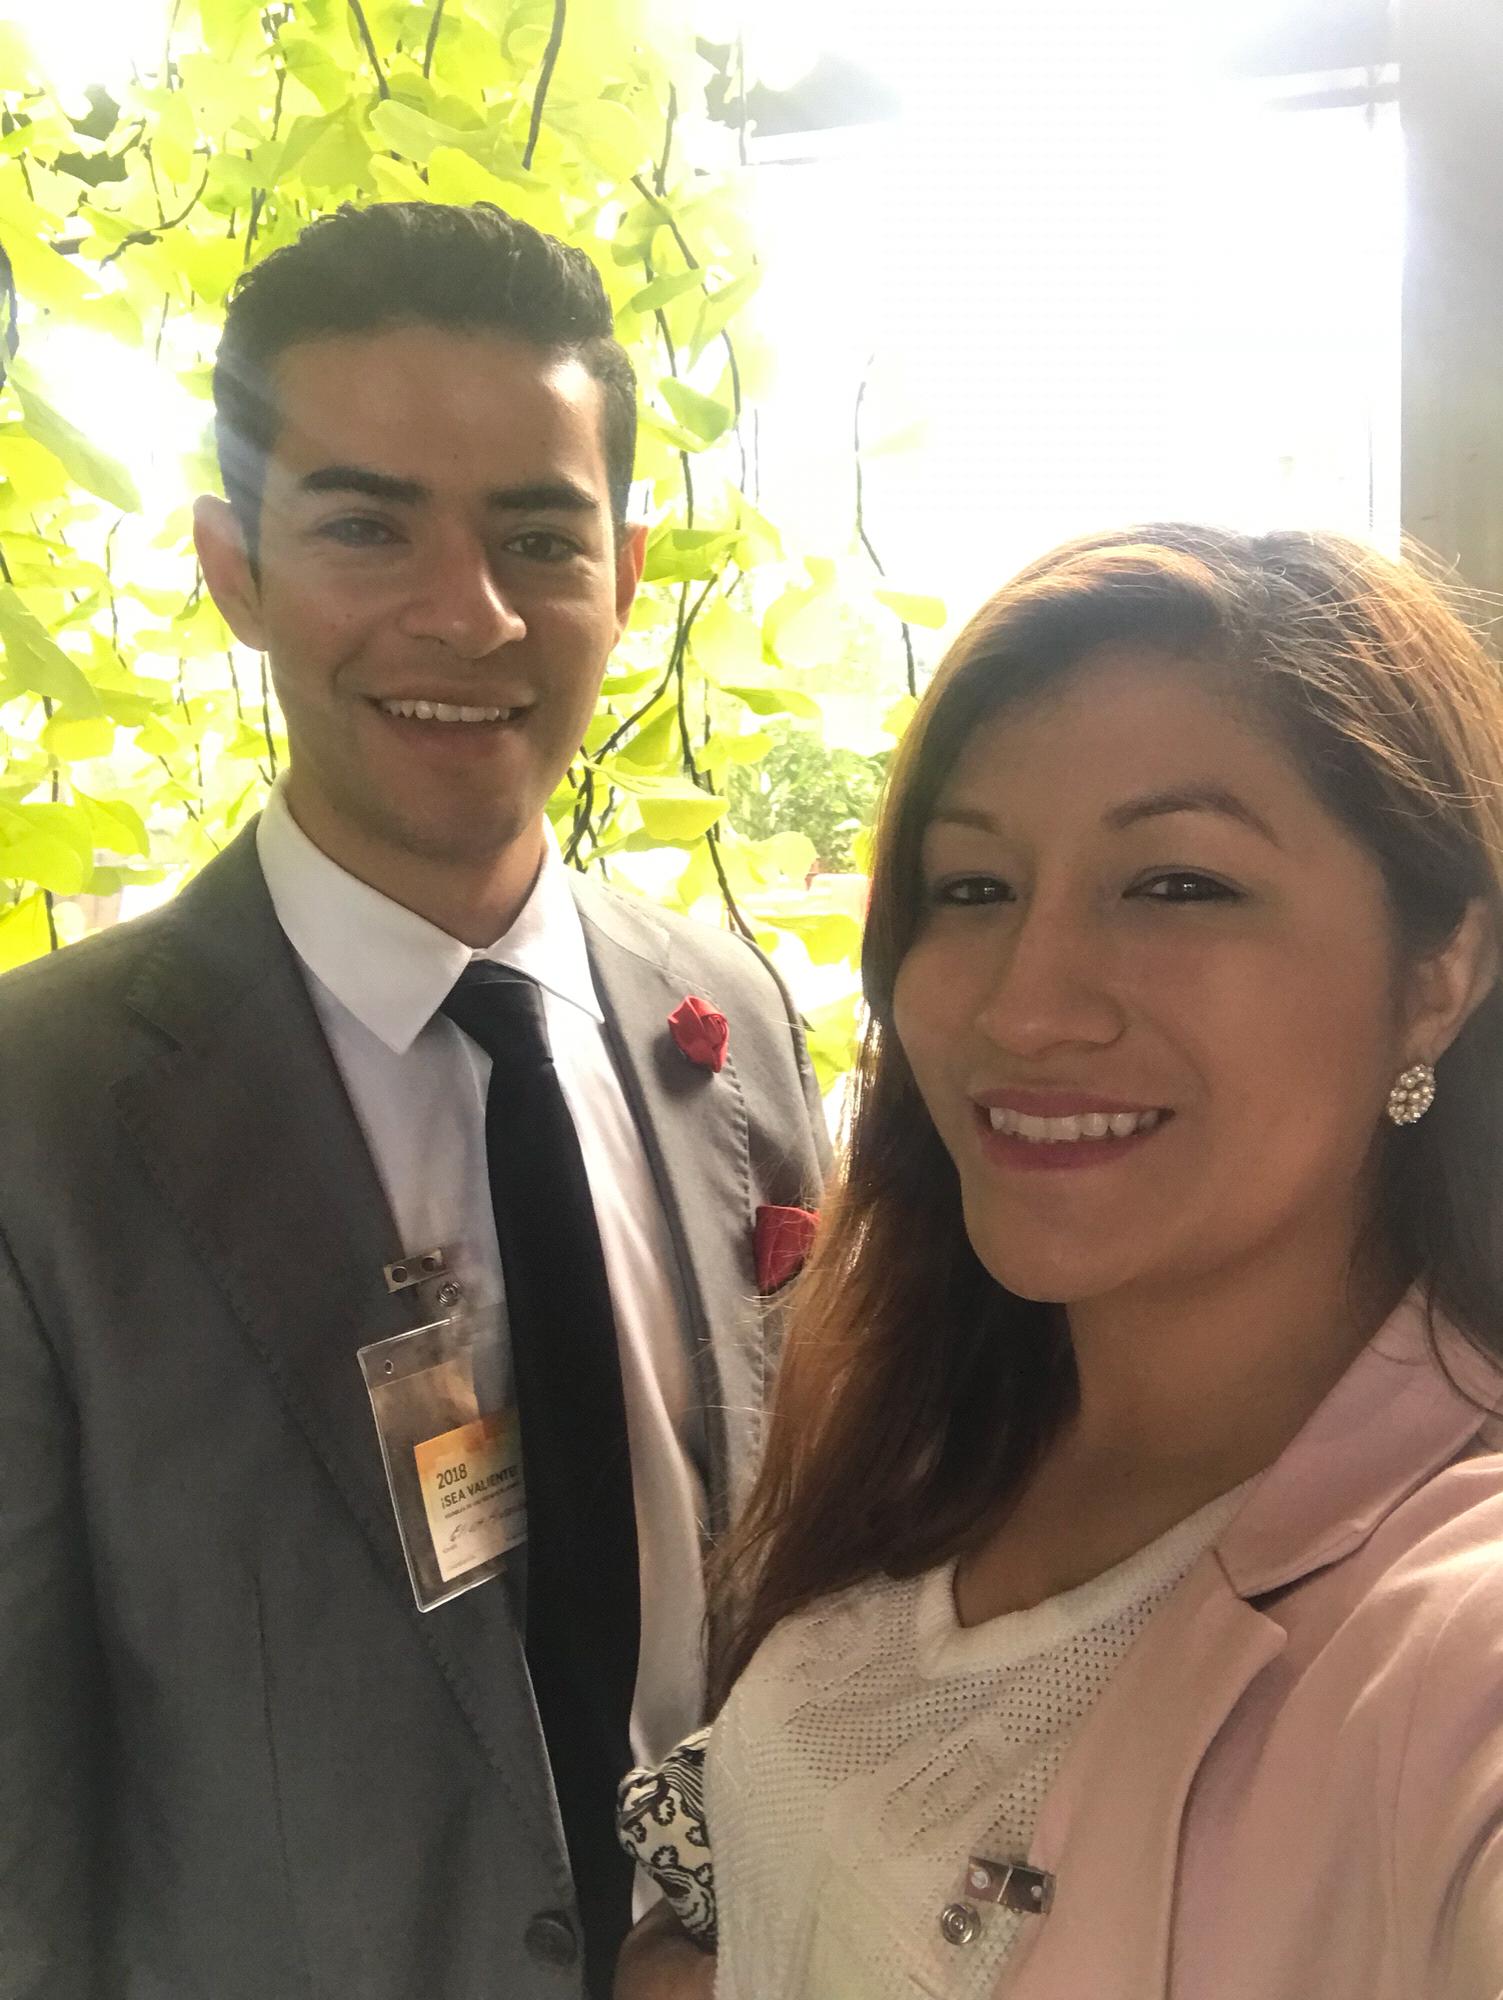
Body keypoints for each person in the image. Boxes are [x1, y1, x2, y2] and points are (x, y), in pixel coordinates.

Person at [0, 201, 827, 2000]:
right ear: (234, 568)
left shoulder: (732, 1023)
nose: (469, 614)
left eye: (538, 536)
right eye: (367, 526)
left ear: (624, 572)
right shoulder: (43, 1125)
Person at [615, 525, 1503, 1999]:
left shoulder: (1448, 1629)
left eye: (1178, 886)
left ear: (1438, 973)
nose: (1026, 1009)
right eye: (973, 889)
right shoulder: (943, 1419)